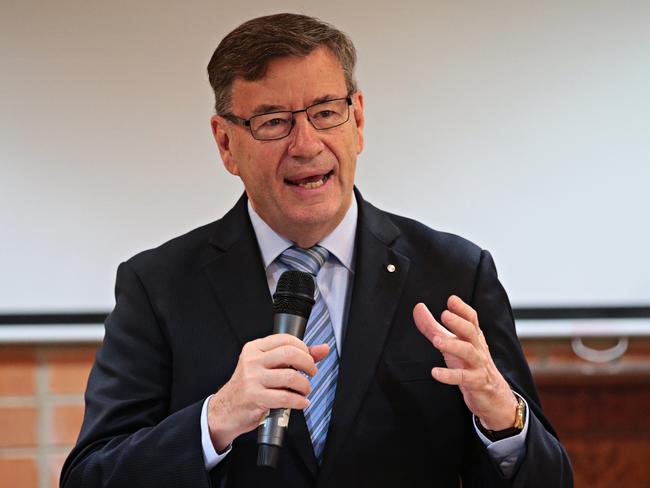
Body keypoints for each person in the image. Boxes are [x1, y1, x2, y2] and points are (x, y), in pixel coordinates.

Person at [60, 13, 573, 488]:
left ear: (359, 120)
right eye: (273, 122)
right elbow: (90, 476)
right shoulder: (159, 285)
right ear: (225, 143)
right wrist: (215, 419)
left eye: (326, 112)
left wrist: (504, 419)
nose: (305, 144)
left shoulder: (455, 273)